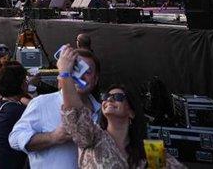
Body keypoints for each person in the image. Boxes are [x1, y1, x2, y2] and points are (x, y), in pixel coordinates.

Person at [56, 46, 184, 168]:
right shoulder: (94, 137)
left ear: (131, 112)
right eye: (106, 97)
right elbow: (76, 115)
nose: (109, 99)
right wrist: (65, 74)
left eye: (118, 97)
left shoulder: (152, 149)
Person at [9, 48, 101, 168]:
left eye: (87, 72)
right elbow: (15, 138)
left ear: (96, 79)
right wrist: (53, 137)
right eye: (75, 69)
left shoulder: (102, 111)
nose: (81, 76)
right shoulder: (42, 103)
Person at [0, 61, 29, 169]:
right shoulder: (17, 110)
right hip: (7, 164)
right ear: (21, 85)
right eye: (25, 80)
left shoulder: (2, 103)